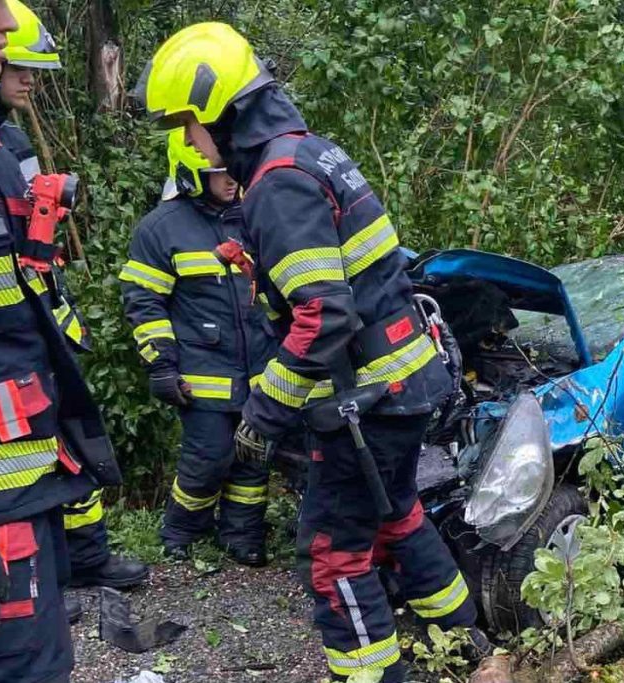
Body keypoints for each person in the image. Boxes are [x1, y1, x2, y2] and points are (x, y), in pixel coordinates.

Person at [136, 22, 481, 683]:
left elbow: (323, 316)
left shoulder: (277, 182)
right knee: (397, 514)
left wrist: (264, 410)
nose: (186, 141)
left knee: (332, 557)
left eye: (187, 122)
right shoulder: (312, 153)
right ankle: (467, 648)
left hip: (368, 397)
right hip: (404, 382)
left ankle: (372, 674)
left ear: (222, 112)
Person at [0, 0, 147, 608]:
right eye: (20, 66)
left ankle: (83, 560)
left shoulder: (10, 136)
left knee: (66, 443)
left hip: (40, 319)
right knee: (32, 457)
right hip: (11, 340)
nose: (28, 78)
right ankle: (54, 573)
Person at [119, 129, 277, 565]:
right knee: (209, 457)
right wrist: (162, 366)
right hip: (201, 370)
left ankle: (242, 535)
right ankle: (183, 528)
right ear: (191, 173)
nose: (230, 181)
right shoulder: (161, 228)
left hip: (261, 369)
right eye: (219, 173)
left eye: (232, 171)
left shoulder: (253, 216)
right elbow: (143, 301)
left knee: (253, 456)